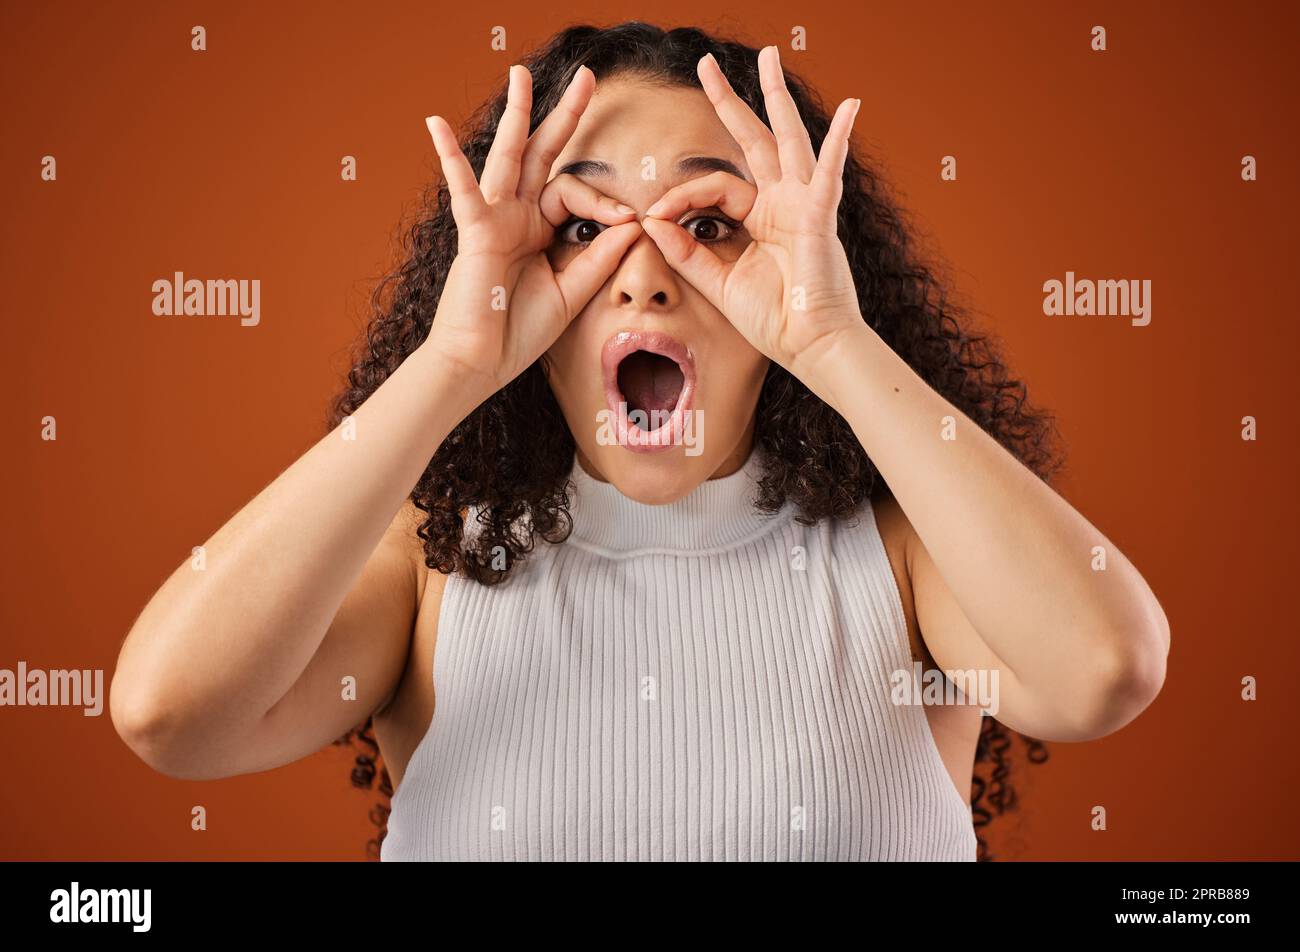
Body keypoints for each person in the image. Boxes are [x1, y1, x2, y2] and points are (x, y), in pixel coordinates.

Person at [111, 22, 1170, 861]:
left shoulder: (903, 557)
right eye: (583, 227)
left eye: (707, 223)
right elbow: (170, 714)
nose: (646, 271)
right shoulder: (430, 565)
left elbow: (1101, 669)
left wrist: (831, 338)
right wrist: (449, 366)